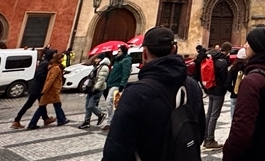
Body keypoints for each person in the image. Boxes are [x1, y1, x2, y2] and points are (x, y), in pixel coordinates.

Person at [103, 27, 205, 161]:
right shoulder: (193, 86)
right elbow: (199, 131)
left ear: (144, 53)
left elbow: (116, 149)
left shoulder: (135, 93)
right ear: (173, 50)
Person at [222, 26, 265, 161]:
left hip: (252, 153)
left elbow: (241, 130)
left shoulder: (252, 82)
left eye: (248, 42)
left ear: (257, 46)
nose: (245, 45)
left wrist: (229, 153)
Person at [12, 48, 55, 129]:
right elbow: (39, 75)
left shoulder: (46, 63)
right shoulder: (45, 64)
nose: (54, 55)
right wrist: (49, 76)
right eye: (53, 54)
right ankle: (16, 120)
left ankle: (45, 118)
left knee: (42, 104)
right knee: (29, 104)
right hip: (37, 88)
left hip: (38, 88)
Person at [28, 53, 68, 129]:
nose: (63, 59)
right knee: (43, 107)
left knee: (56, 105)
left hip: (50, 90)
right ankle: (32, 124)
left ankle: (61, 119)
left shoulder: (52, 67)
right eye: (62, 58)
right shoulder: (56, 68)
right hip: (51, 91)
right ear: (58, 59)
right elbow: (50, 80)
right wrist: (44, 90)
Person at [203, 42, 231, 151]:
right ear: (228, 50)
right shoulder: (222, 62)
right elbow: (224, 78)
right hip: (218, 91)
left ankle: (206, 137)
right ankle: (210, 140)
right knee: (214, 115)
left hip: (210, 88)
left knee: (209, 114)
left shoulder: (213, 58)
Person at [103, 45, 132, 132]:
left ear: (123, 52)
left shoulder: (126, 60)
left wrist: (122, 84)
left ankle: (110, 121)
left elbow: (126, 73)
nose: (117, 53)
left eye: (119, 51)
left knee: (110, 102)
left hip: (117, 84)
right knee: (116, 103)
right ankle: (115, 120)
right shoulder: (117, 60)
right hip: (111, 83)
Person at [79, 53, 110, 129]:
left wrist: (96, 88)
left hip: (97, 89)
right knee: (87, 106)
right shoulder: (97, 66)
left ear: (101, 60)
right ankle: (86, 121)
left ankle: (101, 114)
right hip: (91, 88)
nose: (96, 60)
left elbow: (101, 79)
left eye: (97, 59)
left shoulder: (104, 67)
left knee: (91, 105)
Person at [227, 48, 248, 122]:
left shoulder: (233, 68)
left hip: (234, 95)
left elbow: (227, 83)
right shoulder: (248, 68)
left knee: (233, 119)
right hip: (245, 96)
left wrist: (233, 89)